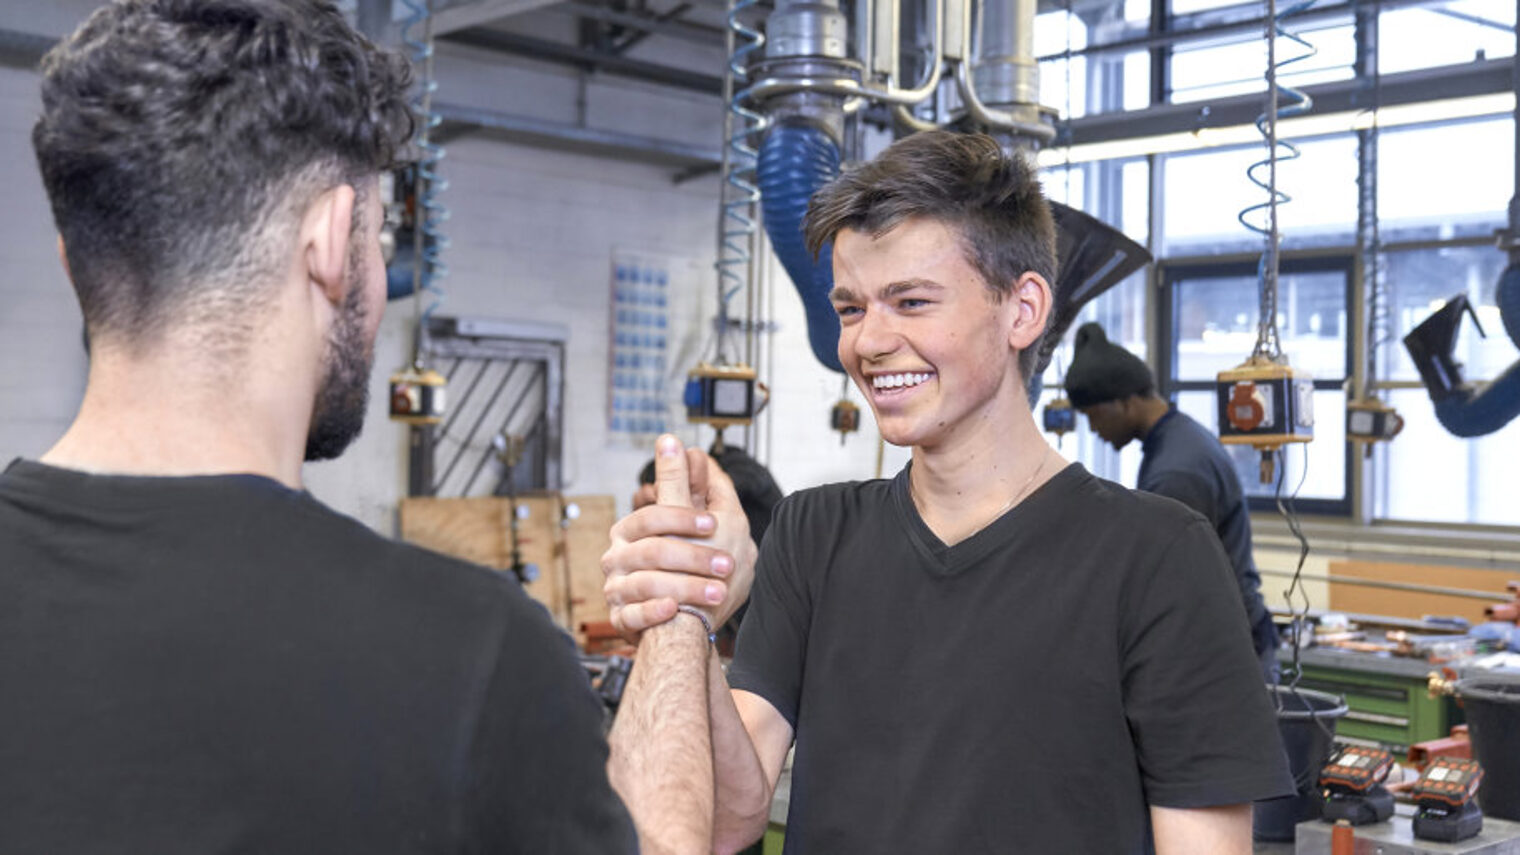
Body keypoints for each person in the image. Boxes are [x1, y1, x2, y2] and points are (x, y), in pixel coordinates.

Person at [0, 1, 711, 852]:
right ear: (334, 242)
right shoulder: (474, 660)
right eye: (379, 234)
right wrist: (680, 608)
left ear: (76, 263)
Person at [602, 130, 1293, 854]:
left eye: (911, 300)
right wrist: (682, 614)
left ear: (1022, 310)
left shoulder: (1157, 556)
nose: (868, 342)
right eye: (850, 308)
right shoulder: (815, 533)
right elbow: (723, 821)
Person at [1063, 321, 1281, 681]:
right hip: (1234, 631)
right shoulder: (1181, 439)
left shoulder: (1176, 472)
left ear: (1125, 401)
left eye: (1094, 416)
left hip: (1223, 649)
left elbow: (1161, 579)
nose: (1095, 431)